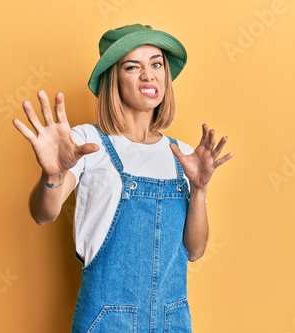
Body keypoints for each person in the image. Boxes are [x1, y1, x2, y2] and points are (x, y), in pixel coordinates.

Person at [13, 24, 234, 333]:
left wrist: (198, 189)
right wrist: (53, 174)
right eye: (133, 67)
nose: (149, 75)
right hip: (107, 320)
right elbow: (43, 213)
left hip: (172, 319)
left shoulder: (183, 154)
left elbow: (194, 251)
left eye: (156, 64)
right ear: (113, 79)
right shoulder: (87, 141)